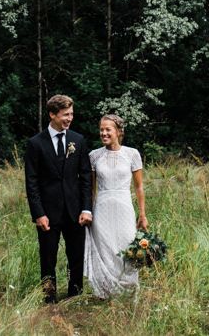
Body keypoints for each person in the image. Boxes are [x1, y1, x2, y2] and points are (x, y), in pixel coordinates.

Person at [24, 94, 93, 303]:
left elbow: (86, 177)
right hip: (48, 213)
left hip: (75, 211)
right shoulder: (35, 144)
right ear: (52, 114)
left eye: (71, 114)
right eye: (65, 114)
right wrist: (38, 213)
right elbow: (31, 182)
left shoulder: (78, 140)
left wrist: (86, 208)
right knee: (47, 258)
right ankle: (49, 298)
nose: (69, 118)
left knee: (76, 257)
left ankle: (75, 295)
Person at [84, 113, 148, 299]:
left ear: (119, 132)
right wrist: (88, 210)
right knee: (104, 248)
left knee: (126, 244)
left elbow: (139, 187)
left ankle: (128, 291)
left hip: (124, 208)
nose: (103, 133)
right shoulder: (94, 156)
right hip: (102, 208)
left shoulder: (132, 154)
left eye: (108, 129)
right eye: (101, 130)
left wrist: (142, 214)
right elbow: (91, 190)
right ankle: (105, 292)